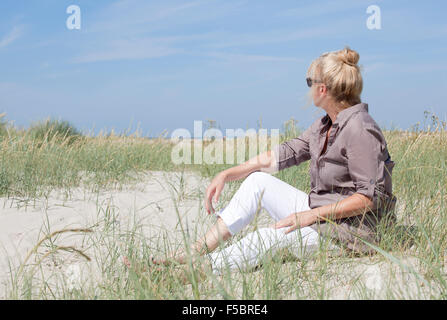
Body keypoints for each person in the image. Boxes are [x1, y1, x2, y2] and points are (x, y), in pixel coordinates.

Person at [123, 47, 397, 279]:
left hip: (351, 233)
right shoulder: (325, 125)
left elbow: (370, 198)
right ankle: (194, 251)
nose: (309, 88)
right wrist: (228, 173)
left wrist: (309, 216)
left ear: (322, 89)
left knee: (267, 238)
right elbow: (285, 153)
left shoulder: (360, 128)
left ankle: (191, 274)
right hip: (322, 214)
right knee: (257, 182)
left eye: (309, 82)